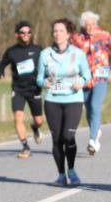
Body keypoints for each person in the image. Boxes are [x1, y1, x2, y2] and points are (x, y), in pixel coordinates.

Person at [36, 18, 92, 187]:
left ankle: (72, 170)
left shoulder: (78, 53)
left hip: (73, 99)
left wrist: (81, 82)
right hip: (52, 100)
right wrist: (43, 83)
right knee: (57, 139)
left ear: (68, 34)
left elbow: (87, 74)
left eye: (61, 31)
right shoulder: (45, 54)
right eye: (55, 31)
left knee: (68, 136)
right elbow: (39, 77)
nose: (57, 34)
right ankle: (61, 174)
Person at [72, 11, 111, 155]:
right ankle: (96, 130)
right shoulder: (76, 38)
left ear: (96, 24)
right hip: (84, 77)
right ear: (83, 25)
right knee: (88, 109)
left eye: (92, 24)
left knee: (95, 105)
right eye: (87, 25)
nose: (90, 27)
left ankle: (93, 140)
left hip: (101, 75)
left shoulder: (105, 36)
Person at [0, 21, 43, 158]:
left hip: (34, 89)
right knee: (18, 118)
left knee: (39, 120)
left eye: (28, 32)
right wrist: (0, 72)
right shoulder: (12, 51)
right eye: (22, 32)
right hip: (18, 90)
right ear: (17, 34)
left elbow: (47, 64)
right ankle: (25, 147)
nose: (26, 35)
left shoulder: (38, 50)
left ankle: (35, 128)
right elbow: (2, 64)